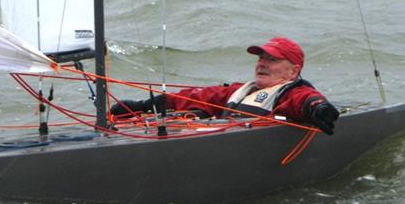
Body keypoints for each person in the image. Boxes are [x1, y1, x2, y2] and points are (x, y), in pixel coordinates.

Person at [109, 36, 340, 134]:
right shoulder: (240, 90)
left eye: (272, 59)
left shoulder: (291, 92)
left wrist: (317, 107)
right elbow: (198, 96)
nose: (262, 64)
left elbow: (304, 99)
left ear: (294, 70)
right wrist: (145, 105)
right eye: (261, 58)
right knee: (194, 109)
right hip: (213, 139)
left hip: (243, 149)